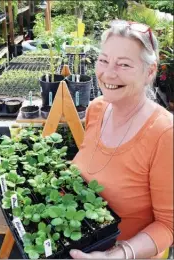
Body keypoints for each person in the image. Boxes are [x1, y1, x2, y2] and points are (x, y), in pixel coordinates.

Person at [70, 20, 173, 259]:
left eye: (124, 65)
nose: (108, 73)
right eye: (104, 60)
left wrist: (116, 255)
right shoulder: (96, 109)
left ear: (149, 72)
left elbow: (168, 225)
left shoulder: (164, 134)